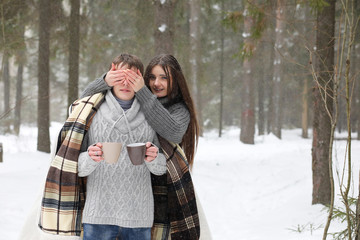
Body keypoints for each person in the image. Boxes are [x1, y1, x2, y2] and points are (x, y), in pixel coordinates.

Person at [38, 54, 166, 240]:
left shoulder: (151, 114)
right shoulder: (90, 112)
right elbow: (77, 167)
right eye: (120, 77)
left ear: (140, 80)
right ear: (110, 77)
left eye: (131, 78)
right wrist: (90, 157)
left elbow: (162, 168)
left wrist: (154, 159)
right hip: (97, 215)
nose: (125, 83)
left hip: (139, 217)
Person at [80, 54, 203, 240]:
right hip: (100, 210)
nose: (156, 83)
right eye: (152, 77)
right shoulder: (97, 110)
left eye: (164, 77)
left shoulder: (170, 110)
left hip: (151, 202)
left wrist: (153, 158)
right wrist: (105, 80)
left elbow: (173, 134)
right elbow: (80, 104)